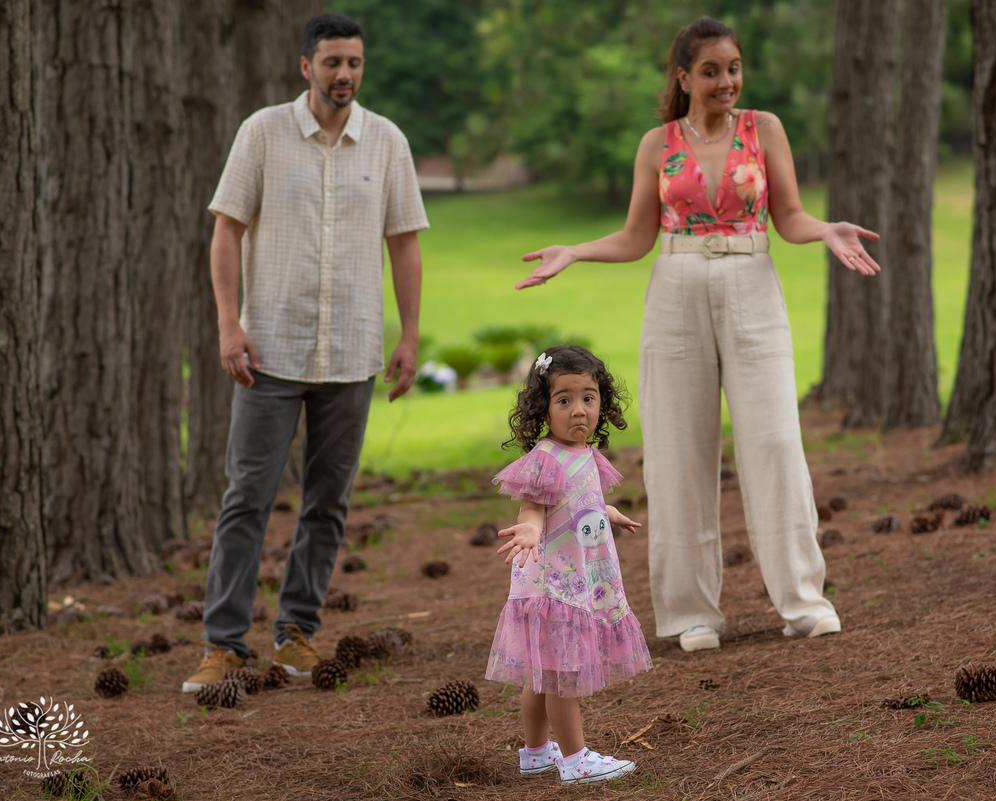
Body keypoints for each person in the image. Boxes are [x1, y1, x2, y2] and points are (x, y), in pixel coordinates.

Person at [516, 17, 880, 653]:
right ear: (683, 77)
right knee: (678, 450)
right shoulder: (657, 144)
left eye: (733, 68)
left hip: (752, 282)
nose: (725, 81)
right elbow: (636, 237)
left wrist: (825, 230)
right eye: (711, 71)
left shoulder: (763, 130)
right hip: (677, 288)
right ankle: (689, 614)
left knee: (773, 441)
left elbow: (789, 217)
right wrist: (574, 251)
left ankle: (802, 601)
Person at [183, 13, 429, 692]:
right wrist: (229, 324)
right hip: (268, 352)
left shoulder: (386, 143)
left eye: (354, 63)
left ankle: (296, 634)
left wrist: (408, 335)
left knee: (328, 503)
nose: (344, 74)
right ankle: (224, 644)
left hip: (351, 353)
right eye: (331, 63)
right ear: (305, 67)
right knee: (247, 499)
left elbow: (404, 241)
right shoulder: (262, 133)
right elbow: (226, 231)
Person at [487, 345, 652, 784]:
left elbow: (585, 501)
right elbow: (534, 509)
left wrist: (609, 514)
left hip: (572, 579)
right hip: (554, 584)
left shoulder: (587, 456)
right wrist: (528, 529)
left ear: (602, 404)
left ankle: (536, 752)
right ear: (544, 408)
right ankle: (576, 759)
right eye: (564, 400)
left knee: (541, 675)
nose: (578, 410)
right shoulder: (544, 459)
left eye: (588, 398)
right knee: (562, 674)